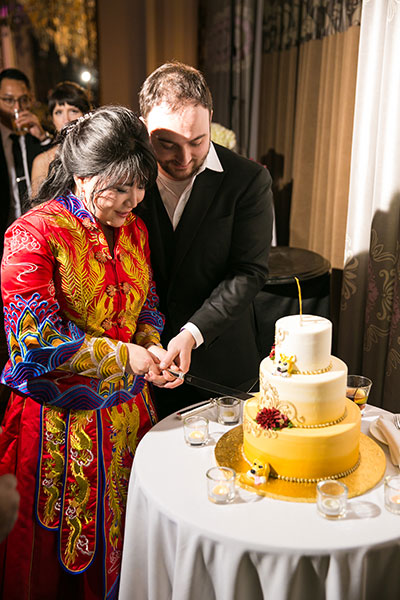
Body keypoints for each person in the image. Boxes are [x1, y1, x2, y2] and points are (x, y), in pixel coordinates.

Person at [0, 105, 181, 600]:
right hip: (60, 430)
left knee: (132, 546)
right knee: (60, 565)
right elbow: (36, 342)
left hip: (131, 423)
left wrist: (153, 347)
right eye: (120, 188)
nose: (134, 199)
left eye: (139, 186)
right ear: (82, 174)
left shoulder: (135, 230)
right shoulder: (32, 234)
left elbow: (147, 306)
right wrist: (127, 359)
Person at [137, 62, 274, 418]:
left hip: (221, 364)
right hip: (144, 365)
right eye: (166, 143)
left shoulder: (248, 180)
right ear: (143, 127)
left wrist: (193, 332)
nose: (183, 158)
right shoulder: (126, 179)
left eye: (197, 141)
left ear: (210, 118)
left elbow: (248, 271)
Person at [0, 68, 51, 250]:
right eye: (8, 100)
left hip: (37, 233)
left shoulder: (39, 132)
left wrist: (43, 137)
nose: (17, 107)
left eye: (23, 100)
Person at [31, 81, 91, 195]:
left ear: (85, 114)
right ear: (52, 119)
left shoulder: (97, 154)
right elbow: (37, 209)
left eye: (73, 111)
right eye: (58, 112)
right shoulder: (42, 162)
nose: (66, 119)